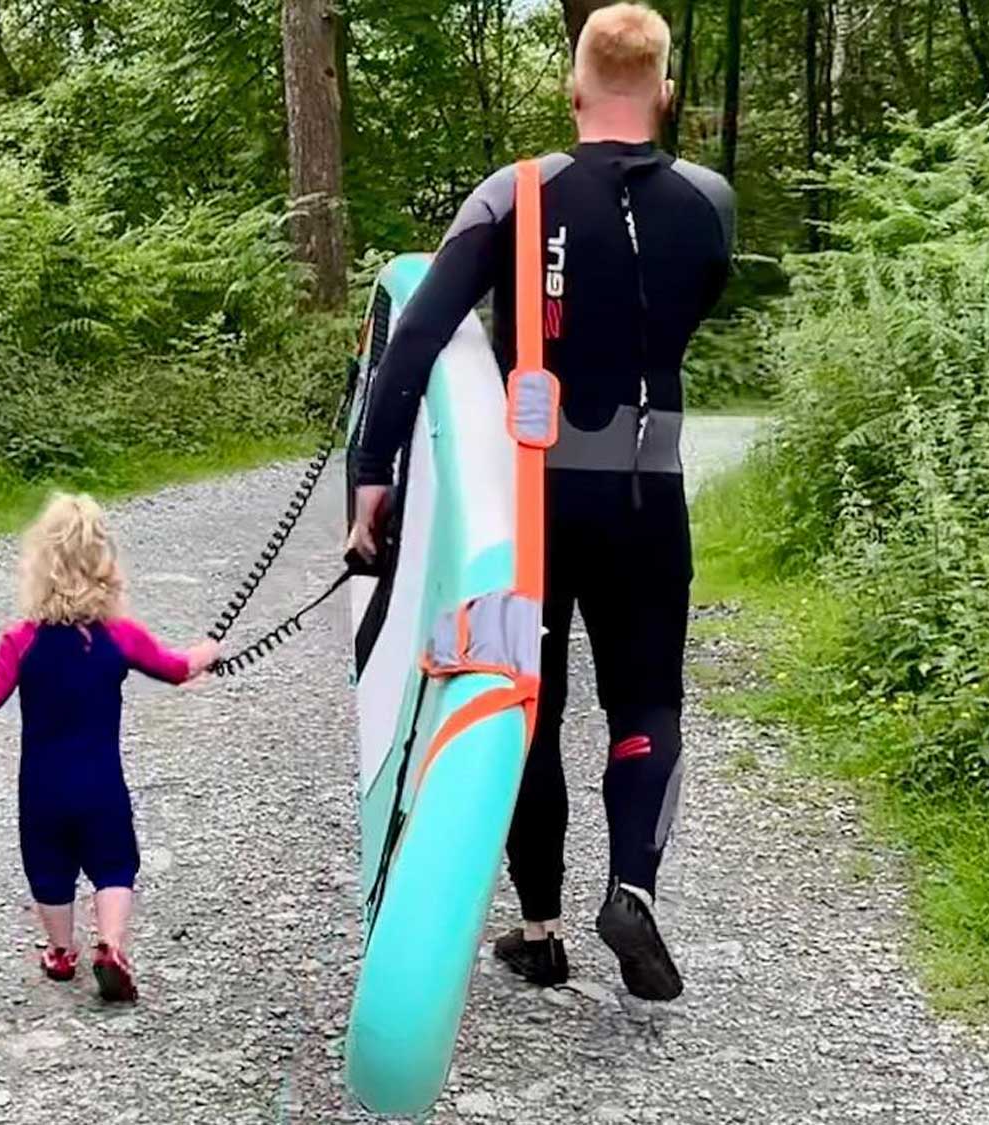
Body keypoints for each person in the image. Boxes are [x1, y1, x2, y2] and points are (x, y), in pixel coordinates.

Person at [346, 3, 734, 1002]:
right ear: (665, 93)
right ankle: (632, 887)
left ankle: (540, 928)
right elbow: (690, 303)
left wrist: (372, 473)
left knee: (531, 701)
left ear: (573, 89)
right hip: (650, 496)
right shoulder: (708, 202)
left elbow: (415, 336)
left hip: (532, 501)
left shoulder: (514, 193)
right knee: (645, 701)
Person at [0, 493, 219, 1004]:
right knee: (114, 864)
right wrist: (209, 650)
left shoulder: (22, 639)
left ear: (38, 568)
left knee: (49, 870)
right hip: (101, 784)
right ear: (105, 566)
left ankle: (62, 952)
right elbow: (178, 669)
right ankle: (111, 946)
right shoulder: (120, 636)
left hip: (42, 788)